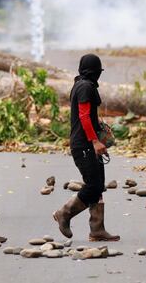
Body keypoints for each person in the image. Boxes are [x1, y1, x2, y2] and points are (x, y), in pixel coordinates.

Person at [53, 54, 120, 242]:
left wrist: (100, 130)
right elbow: (83, 117)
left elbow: (89, 116)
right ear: (95, 71)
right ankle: (64, 213)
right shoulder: (85, 87)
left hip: (88, 143)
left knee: (98, 186)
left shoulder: (82, 85)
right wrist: (95, 141)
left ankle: (97, 229)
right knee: (94, 185)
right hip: (84, 145)